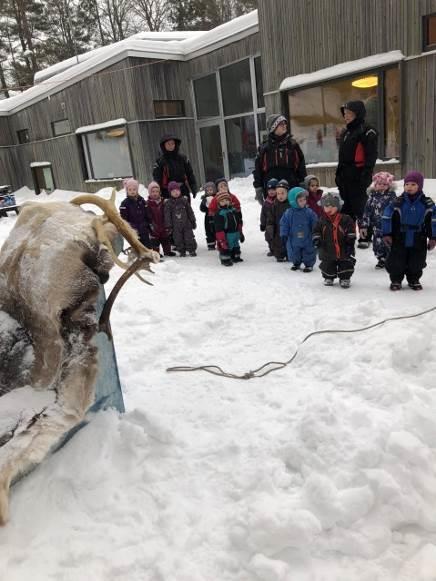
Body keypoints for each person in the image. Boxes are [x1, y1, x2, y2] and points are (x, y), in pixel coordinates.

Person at [382, 171, 436, 291]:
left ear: (420, 186)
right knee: (397, 259)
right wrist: (387, 234)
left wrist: (433, 237)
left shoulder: (426, 203)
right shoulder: (398, 202)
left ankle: (414, 279)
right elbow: (387, 217)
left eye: (413, 184)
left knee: (417, 260)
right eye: (407, 184)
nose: (409, 187)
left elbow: (432, 221)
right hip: (399, 235)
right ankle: (396, 280)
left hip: (418, 236)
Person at [335, 100, 378, 248]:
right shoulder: (346, 132)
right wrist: (338, 173)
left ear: (358, 114)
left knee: (361, 208)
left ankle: (365, 237)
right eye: (344, 114)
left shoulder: (367, 131)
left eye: (349, 113)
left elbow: (371, 154)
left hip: (359, 175)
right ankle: (348, 235)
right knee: (347, 209)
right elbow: (342, 156)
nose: (346, 116)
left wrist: (366, 173)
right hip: (345, 176)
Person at [253, 114, 307, 204]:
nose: (285, 126)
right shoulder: (264, 147)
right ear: (273, 127)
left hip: (291, 185)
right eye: (281, 124)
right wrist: (258, 187)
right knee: (272, 215)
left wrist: (302, 182)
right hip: (271, 188)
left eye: (285, 124)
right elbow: (258, 169)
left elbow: (301, 165)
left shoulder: (292, 144)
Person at [312, 191, 356, 288]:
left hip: (343, 247)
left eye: (332, 206)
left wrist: (350, 241)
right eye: (326, 206)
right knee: (327, 264)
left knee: (345, 263)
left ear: (338, 206)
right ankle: (328, 277)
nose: (329, 208)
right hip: (327, 248)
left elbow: (350, 230)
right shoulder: (321, 221)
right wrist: (317, 239)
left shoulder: (345, 219)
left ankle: (345, 277)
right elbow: (316, 231)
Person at [360, 172, 397, 269]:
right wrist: (364, 225)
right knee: (377, 244)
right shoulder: (372, 197)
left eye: (384, 184)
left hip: (389, 226)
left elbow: (397, 210)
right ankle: (381, 258)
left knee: (389, 243)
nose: (382, 186)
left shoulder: (392, 196)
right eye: (379, 184)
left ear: (389, 185)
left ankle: (390, 259)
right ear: (375, 185)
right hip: (376, 226)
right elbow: (367, 211)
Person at [280, 187, 318, 272]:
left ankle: (309, 264)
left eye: (304, 199)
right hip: (293, 238)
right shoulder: (288, 213)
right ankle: (296, 263)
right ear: (294, 201)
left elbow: (315, 222)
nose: (304, 202)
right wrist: (283, 234)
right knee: (294, 252)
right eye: (300, 200)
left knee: (308, 250)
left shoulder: (309, 212)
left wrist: (315, 233)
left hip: (307, 237)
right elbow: (284, 224)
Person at [153, 134, 198, 201]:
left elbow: (190, 173)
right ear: (164, 145)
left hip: (182, 190)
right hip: (167, 192)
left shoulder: (183, 158)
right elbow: (157, 178)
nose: (171, 146)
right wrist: (158, 192)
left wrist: (193, 187)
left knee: (185, 210)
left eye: (172, 144)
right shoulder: (160, 161)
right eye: (168, 144)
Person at [164, 181, 197, 257]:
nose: (176, 192)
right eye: (173, 191)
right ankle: (182, 251)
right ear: (170, 192)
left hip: (186, 224)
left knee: (189, 237)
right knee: (178, 239)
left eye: (177, 190)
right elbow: (167, 215)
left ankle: (191, 249)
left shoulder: (184, 201)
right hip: (176, 226)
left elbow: (190, 211)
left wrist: (193, 220)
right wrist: (168, 226)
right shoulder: (168, 203)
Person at [145, 181, 175, 257]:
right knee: (155, 241)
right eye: (153, 192)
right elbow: (147, 215)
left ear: (160, 192)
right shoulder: (147, 203)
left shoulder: (164, 202)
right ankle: (156, 253)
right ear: (149, 193)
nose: (155, 193)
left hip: (163, 224)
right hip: (154, 225)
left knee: (165, 240)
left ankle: (167, 251)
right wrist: (150, 224)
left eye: (157, 191)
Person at [214, 191, 244, 267]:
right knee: (226, 247)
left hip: (235, 233)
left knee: (235, 245)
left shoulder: (233, 210)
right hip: (226, 234)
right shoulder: (219, 214)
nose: (225, 202)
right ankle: (225, 259)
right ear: (219, 203)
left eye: (227, 200)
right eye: (222, 201)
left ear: (230, 201)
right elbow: (219, 229)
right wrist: (222, 240)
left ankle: (236, 257)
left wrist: (240, 233)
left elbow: (238, 222)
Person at [119, 178, 151, 248]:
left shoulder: (142, 200)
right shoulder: (125, 203)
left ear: (137, 190)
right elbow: (124, 218)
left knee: (147, 244)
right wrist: (128, 227)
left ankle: (149, 256)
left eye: (134, 189)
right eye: (130, 190)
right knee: (137, 246)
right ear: (127, 191)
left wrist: (148, 223)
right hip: (133, 229)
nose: (132, 191)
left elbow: (147, 213)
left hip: (144, 228)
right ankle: (139, 257)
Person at [266, 179, 290, 262]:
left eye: (283, 193)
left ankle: (289, 254)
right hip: (278, 229)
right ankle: (279, 255)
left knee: (288, 242)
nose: (280, 196)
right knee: (278, 242)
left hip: (288, 229)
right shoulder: (274, 205)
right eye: (278, 193)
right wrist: (270, 227)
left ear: (287, 193)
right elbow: (270, 217)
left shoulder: (290, 205)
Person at [260, 178, 278, 256]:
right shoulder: (266, 202)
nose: (271, 191)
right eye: (269, 189)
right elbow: (263, 214)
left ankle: (278, 250)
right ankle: (272, 249)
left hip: (277, 223)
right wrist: (262, 224)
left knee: (277, 237)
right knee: (268, 237)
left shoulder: (279, 200)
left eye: (273, 189)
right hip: (268, 224)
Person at [199, 182, 217, 250]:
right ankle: (211, 244)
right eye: (208, 190)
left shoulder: (217, 197)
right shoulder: (204, 199)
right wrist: (204, 204)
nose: (209, 191)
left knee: (217, 229)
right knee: (208, 230)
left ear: (214, 190)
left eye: (211, 190)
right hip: (208, 217)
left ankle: (220, 242)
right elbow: (202, 209)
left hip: (216, 217)